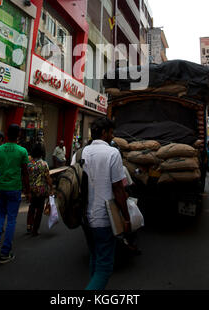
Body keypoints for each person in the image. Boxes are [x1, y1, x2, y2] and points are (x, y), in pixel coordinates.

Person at [81, 117, 131, 290]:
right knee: (104, 267)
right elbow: (118, 188)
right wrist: (126, 217)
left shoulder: (82, 152)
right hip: (104, 217)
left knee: (95, 256)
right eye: (110, 132)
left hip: (85, 217)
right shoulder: (112, 153)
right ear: (103, 132)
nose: (112, 136)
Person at [0, 124, 30, 264]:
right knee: (11, 219)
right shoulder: (22, 151)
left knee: (0, 215)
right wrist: (28, 191)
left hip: (0, 187)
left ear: (6, 134)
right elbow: (25, 173)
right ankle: (5, 252)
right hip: (14, 189)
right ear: (18, 135)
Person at [26, 142, 53, 236]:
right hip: (41, 190)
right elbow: (48, 178)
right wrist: (51, 187)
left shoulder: (29, 163)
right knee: (39, 209)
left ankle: (29, 225)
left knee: (32, 207)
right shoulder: (44, 164)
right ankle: (35, 229)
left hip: (31, 189)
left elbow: (25, 176)